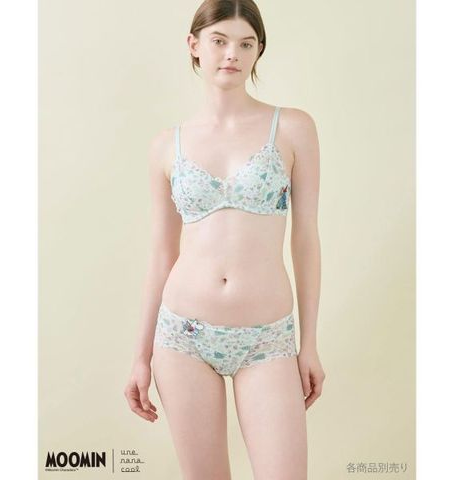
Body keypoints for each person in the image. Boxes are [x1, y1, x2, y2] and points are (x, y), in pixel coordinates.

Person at [124, 1, 325, 478]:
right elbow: (162, 254)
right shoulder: (166, 145)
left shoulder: (292, 128)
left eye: (245, 43)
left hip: (267, 339)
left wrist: (309, 343)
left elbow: (306, 240)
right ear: (194, 45)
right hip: (182, 338)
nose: (232, 53)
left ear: (258, 51)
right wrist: (140, 355)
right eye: (219, 40)